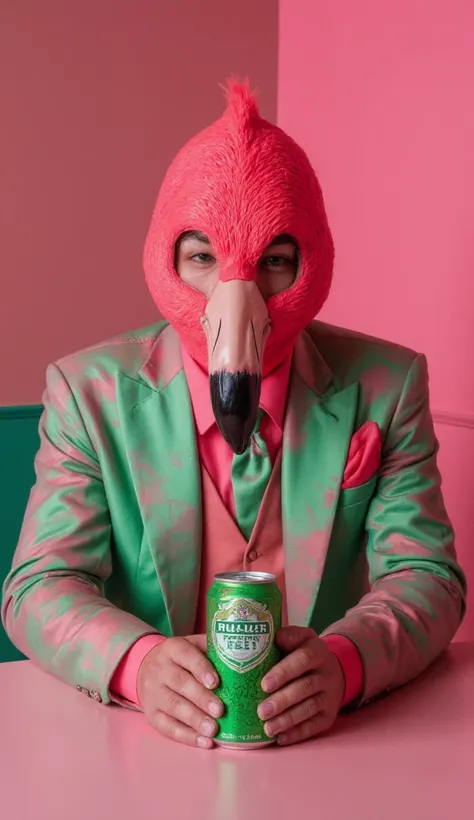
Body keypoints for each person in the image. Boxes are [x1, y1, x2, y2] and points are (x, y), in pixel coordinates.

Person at [2, 81, 466, 750]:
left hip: (330, 744)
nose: (236, 305)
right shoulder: (88, 394)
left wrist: (346, 662)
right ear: (166, 255)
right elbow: (37, 587)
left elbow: (429, 577)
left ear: (312, 256)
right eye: (201, 259)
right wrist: (138, 665)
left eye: (277, 263)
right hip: (147, 748)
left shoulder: (386, 386)